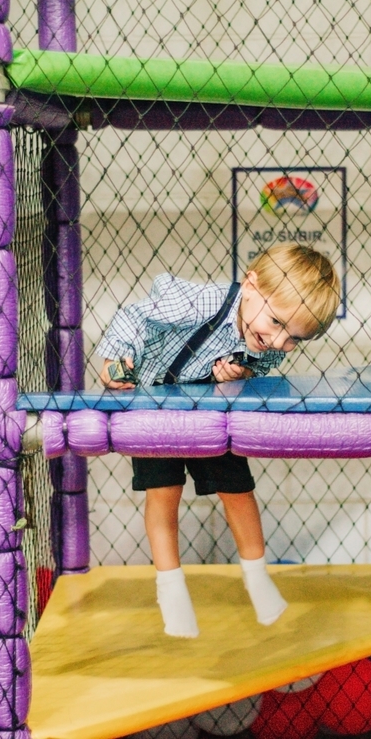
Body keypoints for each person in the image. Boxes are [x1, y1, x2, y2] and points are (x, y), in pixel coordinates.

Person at [95, 243, 341, 638]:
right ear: (250, 285)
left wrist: (241, 374)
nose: (280, 342)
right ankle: (170, 589)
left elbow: (267, 363)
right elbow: (134, 317)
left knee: (238, 490)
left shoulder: (267, 336)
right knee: (164, 492)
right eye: (277, 324)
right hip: (154, 403)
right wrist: (114, 362)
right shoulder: (199, 302)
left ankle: (257, 578)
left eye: (295, 338)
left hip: (210, 413)